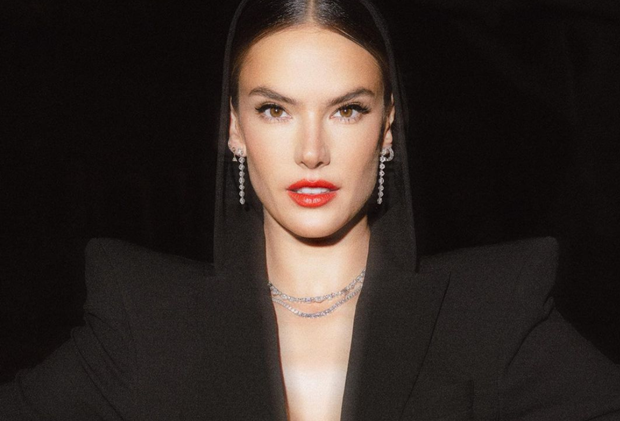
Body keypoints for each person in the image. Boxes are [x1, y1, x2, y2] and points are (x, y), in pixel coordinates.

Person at [1, 0, 619, 419]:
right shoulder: (144, 319)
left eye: (348, 110)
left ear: (387, 127)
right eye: (275, 109)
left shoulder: (493, 311)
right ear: (234, 128)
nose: (312, 151)